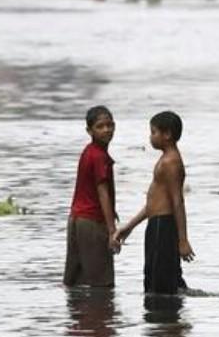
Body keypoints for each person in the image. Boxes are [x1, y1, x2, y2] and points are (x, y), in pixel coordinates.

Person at [116, 111, 195, 294]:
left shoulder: (171, 162)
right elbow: (153, 204)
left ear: (167, 135)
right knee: (155, 280)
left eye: (153, 132)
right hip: (157, 224)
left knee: (161, 286)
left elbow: (177, 201)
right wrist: (130, 226)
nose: (150, 137)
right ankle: (164, 319)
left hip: (164, 226)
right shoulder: (165, 160)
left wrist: (183, 240)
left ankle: (168, 320)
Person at [65, 105, 120, 287]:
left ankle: (78, 315)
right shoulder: (98, 157)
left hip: (77, 219)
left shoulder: (89, 151)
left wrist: (113, 211)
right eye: (100, 126)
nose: (106, 130)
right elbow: (102, 192)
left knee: (75, 281)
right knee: (102, 284)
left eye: (109, 125)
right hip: (92, 223)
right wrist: (112, 230)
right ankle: (100, 316)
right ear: (89, 130)